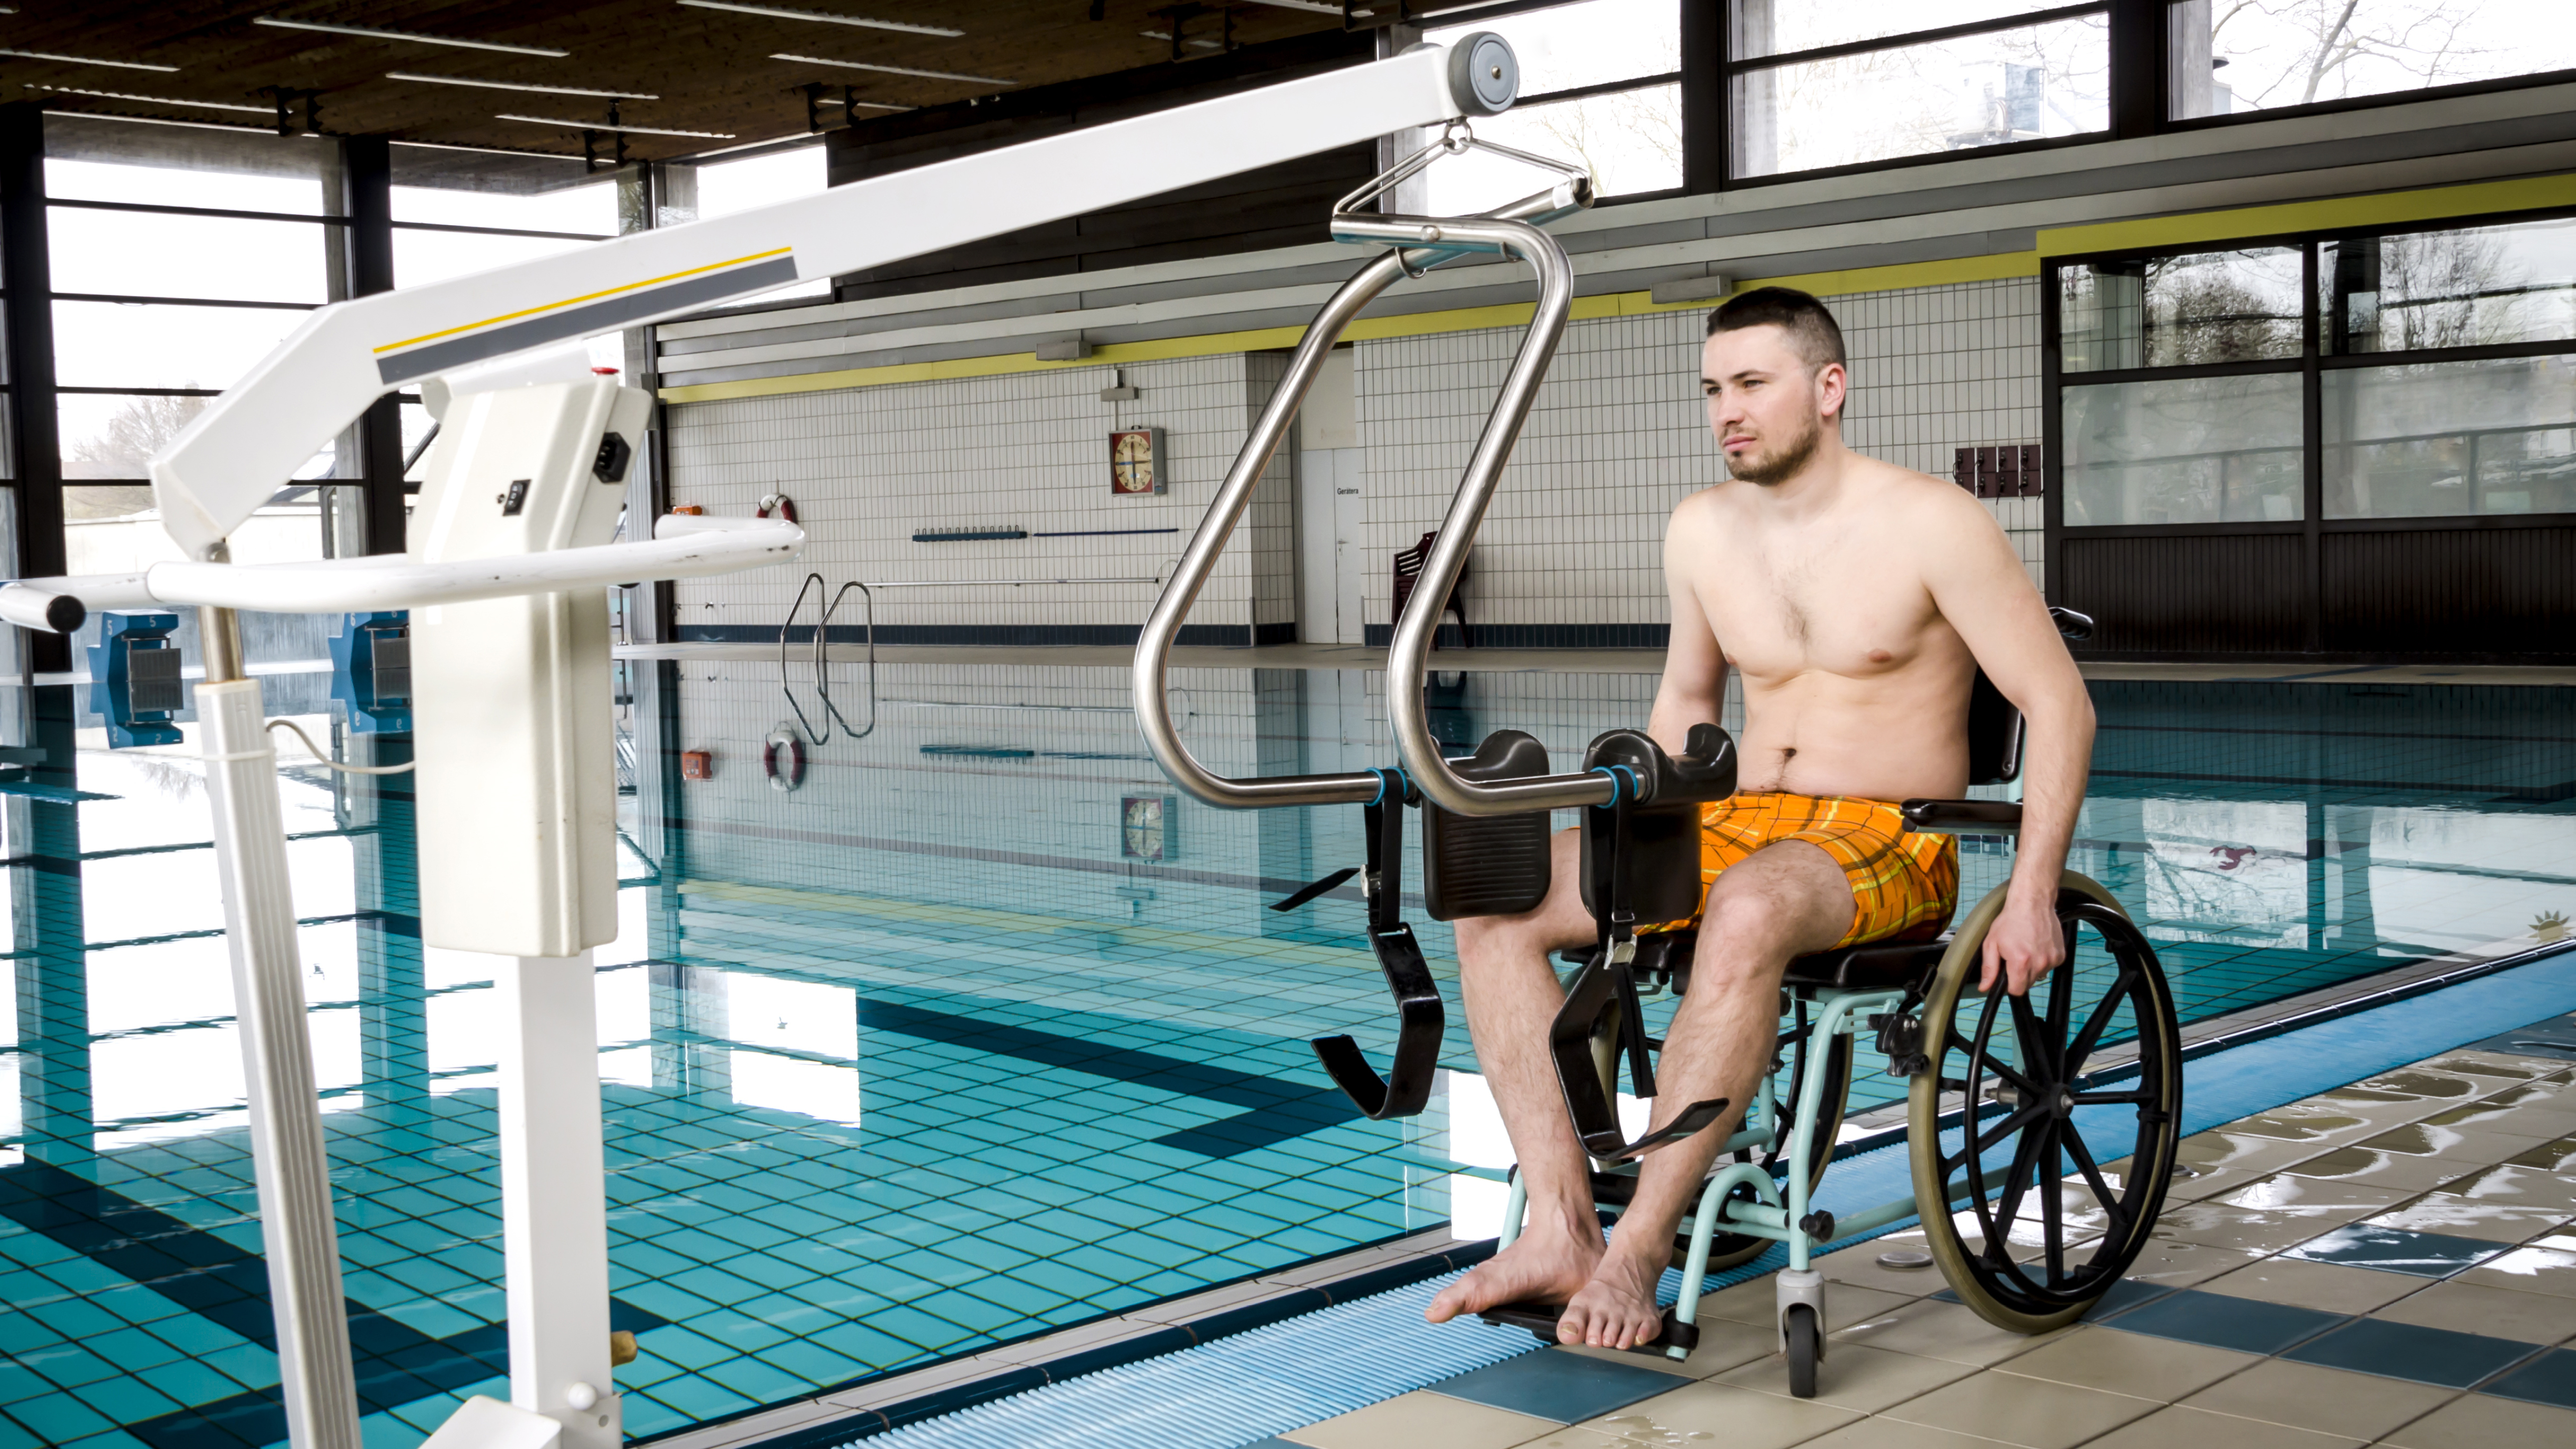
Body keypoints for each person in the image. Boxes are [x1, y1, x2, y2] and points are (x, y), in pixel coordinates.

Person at [1424, 286, 2095, 1350]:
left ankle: (1637, 1251)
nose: (1724, 410)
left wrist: (2029, 897)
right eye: (1711, 390)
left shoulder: (1932, 522)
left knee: (1743, 911)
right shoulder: (1701, 529)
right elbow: (1687, 705)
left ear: (1828, 388)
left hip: (1887, 833)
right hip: (1740, 816)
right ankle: (1558, 1227)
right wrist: (1630, 830)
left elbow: (2058, 704)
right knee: (1497, 903)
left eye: (1749, 384)